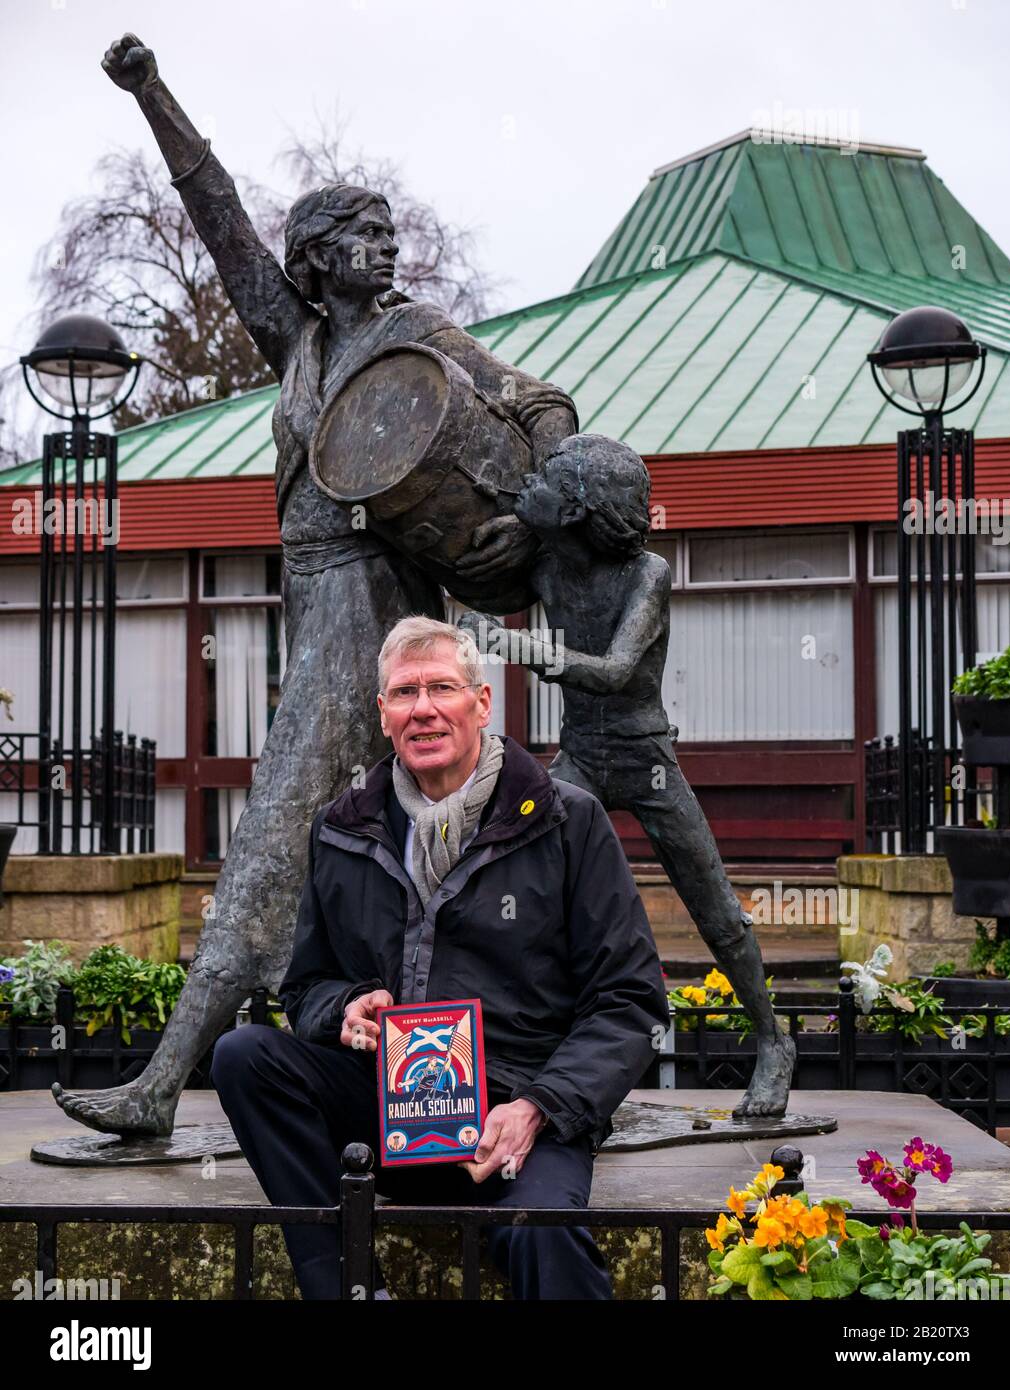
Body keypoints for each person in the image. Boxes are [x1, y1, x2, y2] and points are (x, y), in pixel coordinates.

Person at [53, 33, 577, 1138]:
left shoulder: (415, 334)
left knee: (269, 834)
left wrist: (560, 465)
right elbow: (215, 213)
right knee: (339, 840)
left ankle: (161, 1084)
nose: (386, 248)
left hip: (371, 600)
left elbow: (534, 397)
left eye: (390, 233)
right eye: (364, 235)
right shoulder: (291, 335)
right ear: (317, 258)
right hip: (316, 597)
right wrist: (153, 94)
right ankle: (407, 1072)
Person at [211, 615, 670, 1300]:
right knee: (243, 1055)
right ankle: (348, 1289)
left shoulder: (568, 821)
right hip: (385, 1105)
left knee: (542, 1232)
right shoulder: (341, 827)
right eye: (403, 694)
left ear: (481, 703)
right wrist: (344, 1006)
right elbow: (304, 985)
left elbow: (628, 1002)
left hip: (516, 1113)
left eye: (441, 689)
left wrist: (540, 1107)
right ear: (383, 714)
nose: (423, 709)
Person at [458, 434, 796, 1116]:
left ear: (579, 506)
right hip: (579, 755)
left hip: (647, 762)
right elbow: (465, 549)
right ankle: (532, 1055)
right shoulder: (543, 558)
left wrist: (511, 643)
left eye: (548, 480)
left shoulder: (649, 574)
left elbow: (614, 672)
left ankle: (773, 1042)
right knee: (520, 898)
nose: (533, 487)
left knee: (716, 908)